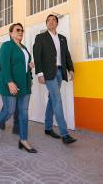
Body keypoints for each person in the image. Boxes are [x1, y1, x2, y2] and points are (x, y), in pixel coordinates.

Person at [0, 23, 37, 153]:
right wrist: (10, 82)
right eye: (17, 30)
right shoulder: (7, 46)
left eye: (22, 30)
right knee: (9, 110)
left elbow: (24, 65)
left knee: (24, 112)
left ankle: (23, 139)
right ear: (10, 33)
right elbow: (5, 66)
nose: (20, 32)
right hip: (10, 83)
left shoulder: (24, 48)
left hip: (25, 84)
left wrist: (30, 70)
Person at [33, 14, 77, 144]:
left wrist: (71, 69)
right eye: (48, 20)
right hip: (48, 73)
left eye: (53, 20)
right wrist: (40, 73)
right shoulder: (40, 37)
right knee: (57, 99)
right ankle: (65, 134)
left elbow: (66, 55)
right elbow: (37, 55)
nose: (51, 22)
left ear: (57, 23)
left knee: (52, 99)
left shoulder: (62, 38)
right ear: (46, 23)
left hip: (60, 72)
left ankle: (47, 127)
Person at [0, 55, 19, 134]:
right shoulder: (6, 47)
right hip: (6, 80)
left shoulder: (22, 49)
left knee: (14, 105)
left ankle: (16, 127)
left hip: (18, 80)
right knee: (9, 107)